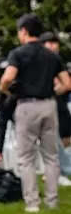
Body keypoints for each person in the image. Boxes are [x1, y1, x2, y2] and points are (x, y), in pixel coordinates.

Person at [0, 14, 71, 213]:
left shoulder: (18, 54)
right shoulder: (52, 55)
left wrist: (7, 91)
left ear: (23, 31)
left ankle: (32, 202)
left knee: (26, 157)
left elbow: (7, 78)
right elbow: (67, 84)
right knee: (51, 156)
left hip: (26, 106)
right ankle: (52, 200)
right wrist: (49, 91)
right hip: (48, 104)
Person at [39, 32, 71, 187]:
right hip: (46, 106)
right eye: (48, 43)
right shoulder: (41, 61)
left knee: (65, 140)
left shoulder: (58, 61)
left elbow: (67, 84)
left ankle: (61, 170)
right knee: (52, 142)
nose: (52, 46)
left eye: (54, 43)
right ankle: (57, 173)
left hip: (61, 106)